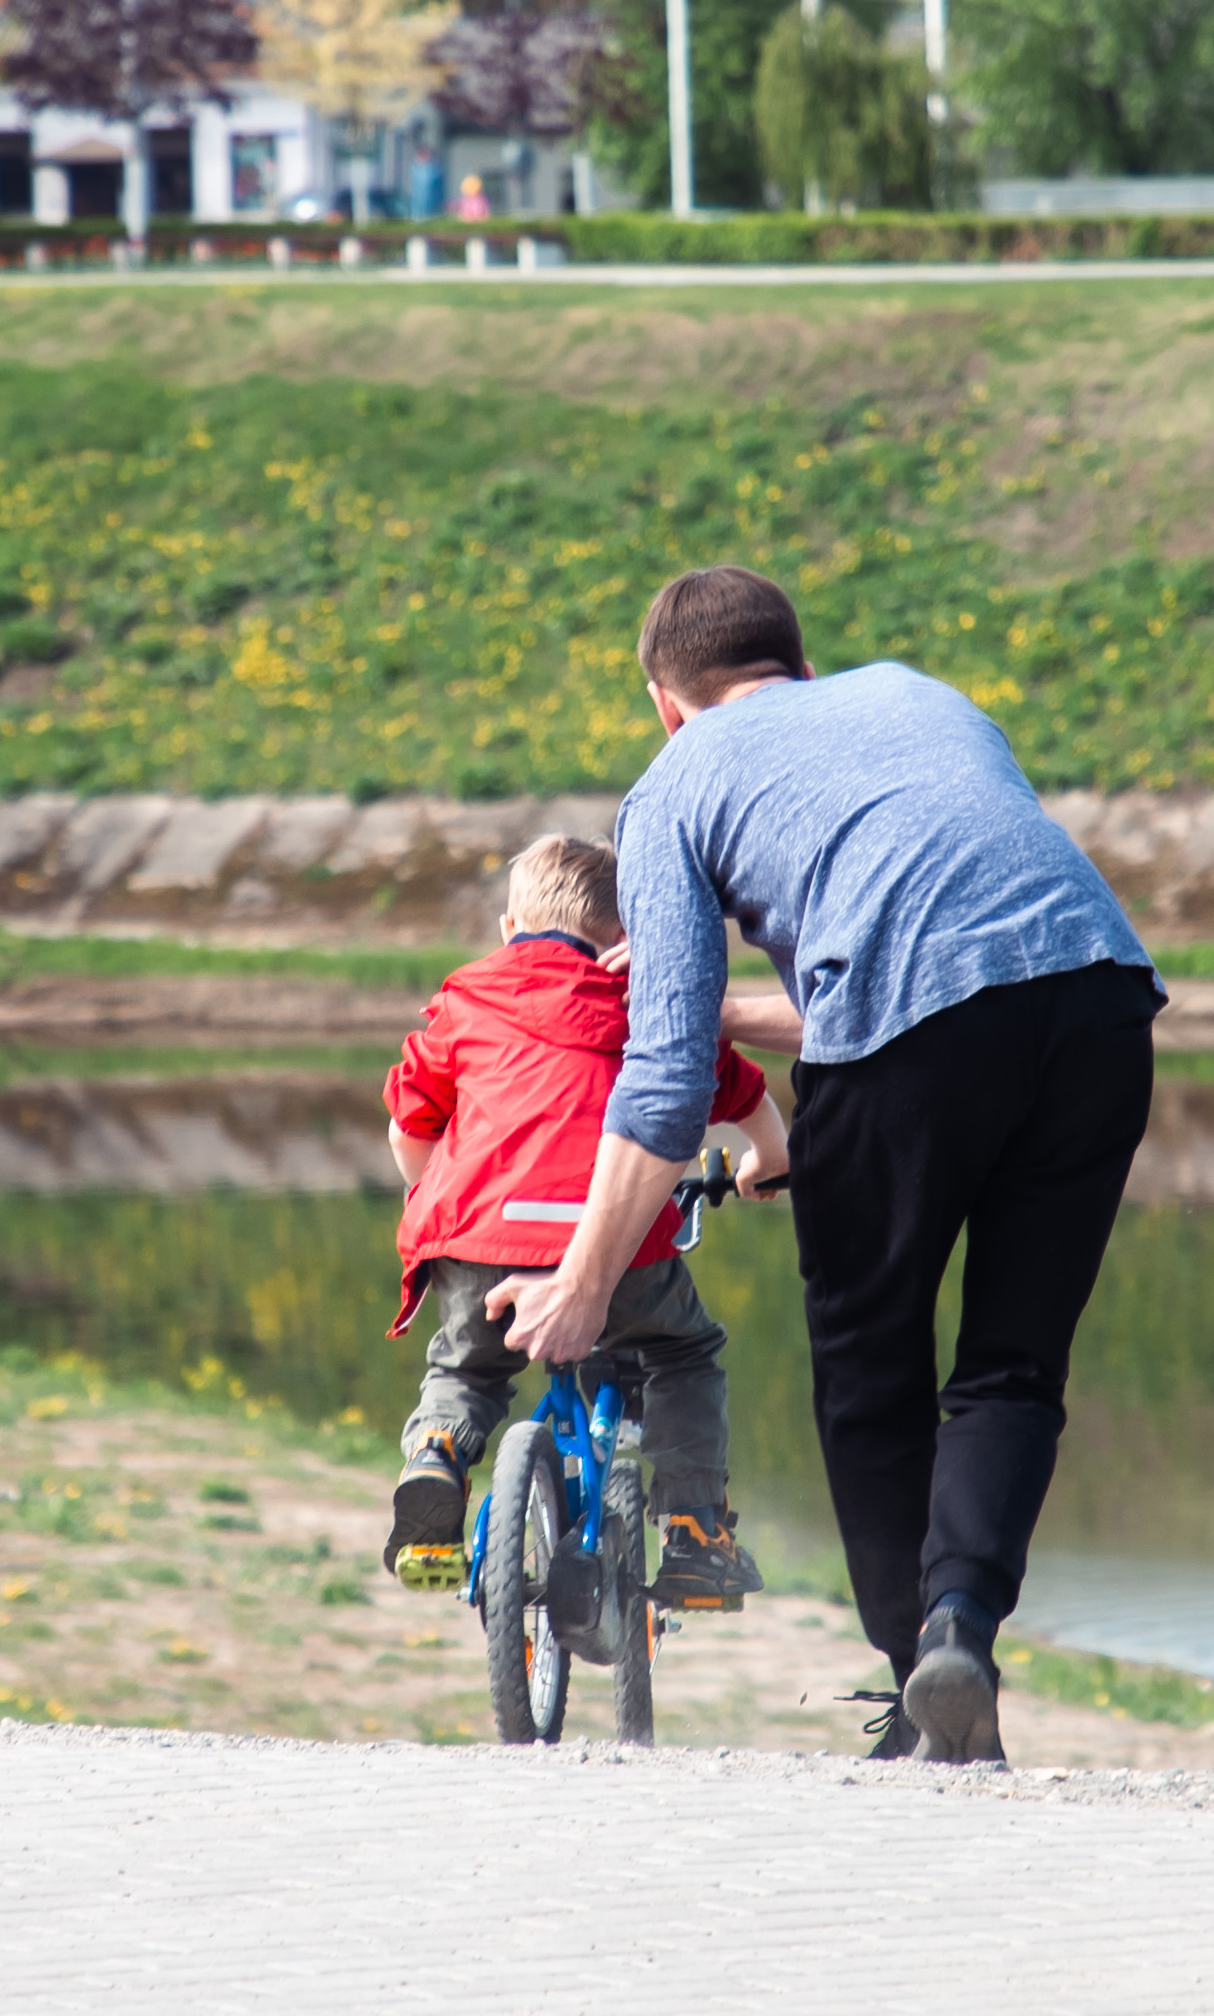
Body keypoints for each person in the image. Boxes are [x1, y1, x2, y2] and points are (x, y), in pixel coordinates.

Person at [494, 567, 1161, 1766]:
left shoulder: (673, 788)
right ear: (800, 668)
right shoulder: (921, 697)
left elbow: (664, 1066)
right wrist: (750, 1016)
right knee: (1012, 1365)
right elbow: (942, 959)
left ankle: (918, 1682)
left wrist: (585, 1279)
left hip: (913, 1046)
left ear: (665, 703)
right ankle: (961, 1620)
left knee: (871, 1364)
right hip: (1100, 1000)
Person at [381, 831, 784, 1609]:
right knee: (680, 1353)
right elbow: (739, 1093)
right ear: (628, 935)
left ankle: (434, 1458)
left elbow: (409, 1126)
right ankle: (695, 1532)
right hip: (616, 1244)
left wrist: (440, 1206)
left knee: (466, 1370)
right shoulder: (642, 1000)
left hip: (480, 1239)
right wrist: (770, 1158)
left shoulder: (466, 997)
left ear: (508, 930)